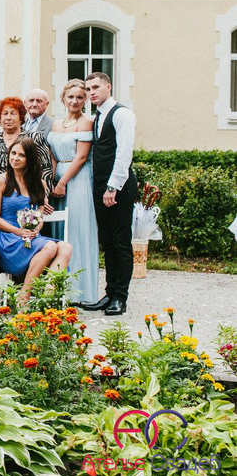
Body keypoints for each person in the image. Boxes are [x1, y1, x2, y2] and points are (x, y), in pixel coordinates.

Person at [81, 72, 138, 316]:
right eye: (88, 89)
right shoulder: (97, 116)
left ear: (108, 87)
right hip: (100, 187)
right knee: (107, 242)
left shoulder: (122, 114)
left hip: (118, 188)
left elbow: (124, 153)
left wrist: (113, 187)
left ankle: (120, 297)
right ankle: (109, 292)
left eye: (95, 87)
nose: (91, 92)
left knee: (120, 242)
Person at [0, 137, 72, 301]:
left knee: (66, 247)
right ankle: (24, 296)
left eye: (21, 155)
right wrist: (19, 232)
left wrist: (35, 229)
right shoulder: (1, 181)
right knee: (50, 247)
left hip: (30, 236)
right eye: (13, 153)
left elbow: (39, 217)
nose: (15, 158)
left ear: (30, 159)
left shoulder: (39, 184)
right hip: (7, 236)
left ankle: (48, 297)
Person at [47, 79, 100, 305]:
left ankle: (80, 291)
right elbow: (53, 155)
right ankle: (58, 288)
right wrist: (51, 181)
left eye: (80, 97)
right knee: (59, 231)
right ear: (63, 98)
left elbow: (81, 157)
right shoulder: (56, 124)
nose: (75, 101)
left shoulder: (86, 122)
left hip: (78, 180)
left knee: (77, 229)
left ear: (85, 100)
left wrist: (63, 182)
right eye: (71, 97)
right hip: (58, 177)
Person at [0, 96, 55, 207]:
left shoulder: (34, 139)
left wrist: (43, 196)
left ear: (21, 118)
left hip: (28, 199)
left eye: (13, 114)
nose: (8, 118)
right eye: (5, 114)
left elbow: (46, 170)